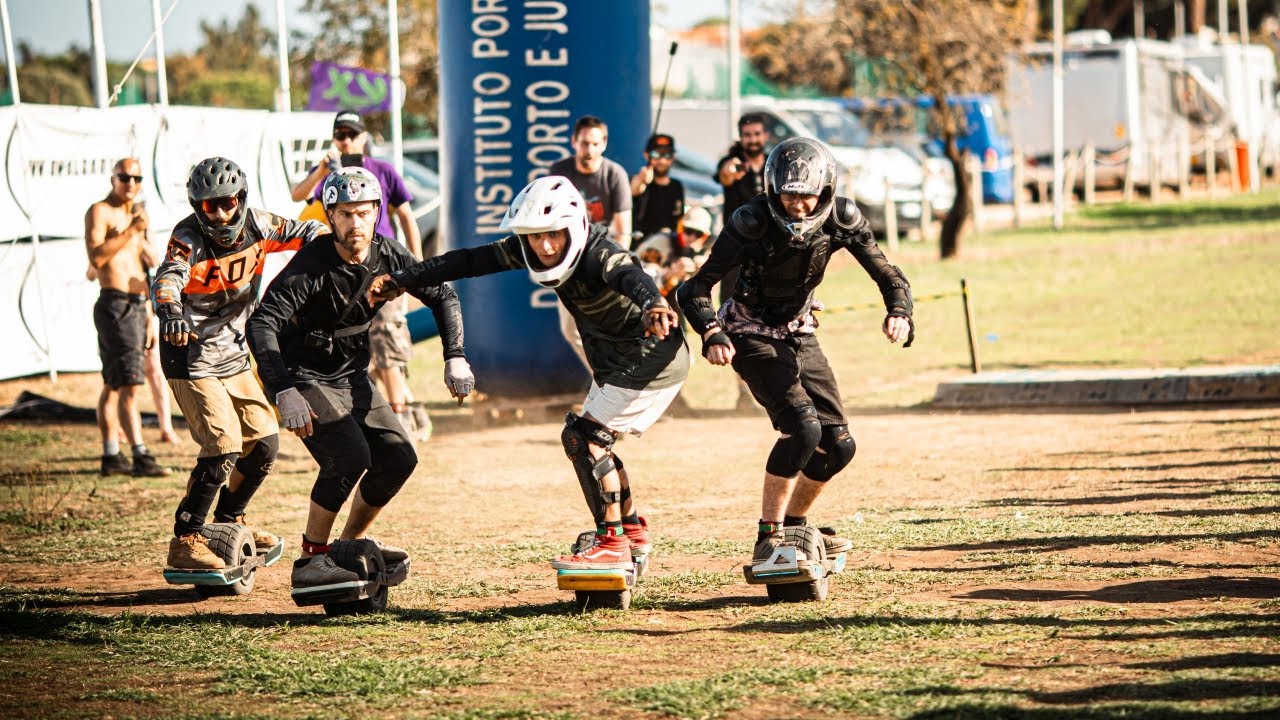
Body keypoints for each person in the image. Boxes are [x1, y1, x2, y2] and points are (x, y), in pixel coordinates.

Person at [365, 175, 687, 569]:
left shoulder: (599, 252)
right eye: (534, 236)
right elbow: (467, 261)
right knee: (590, 439)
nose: (545, 246)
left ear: (572, 227)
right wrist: (403, 279)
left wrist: (654, 301)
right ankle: (629, 530)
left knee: (584, 439)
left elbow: (630, 275)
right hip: (617, 362)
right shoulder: (531, 249)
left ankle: (613, 542)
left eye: (553, 235)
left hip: (651, 357)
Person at [676, 137, 914, 575]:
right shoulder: (749, 222)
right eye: (789, 196)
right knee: (802, 429)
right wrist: (711, 332)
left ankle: (796, 527)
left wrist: (899, 311)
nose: (798, 208)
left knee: (838, 446)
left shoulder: (842, 217)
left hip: (799, 329)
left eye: (807, 197)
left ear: (825, 192)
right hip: (748, 331)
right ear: (772, 191)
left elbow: (889, 274)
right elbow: (693, 288)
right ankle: (769, 540)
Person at [246, 167, 473, 590]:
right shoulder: (311, 263)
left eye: (364, 213)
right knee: (349, 457)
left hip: (350, 374)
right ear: (330, 216)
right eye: (345, 214)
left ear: (376, 213)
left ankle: (345, 548)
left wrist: (454, 357)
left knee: (399, 457)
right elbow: (261, 324)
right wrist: (283, 391)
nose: (355, 223)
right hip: (302, 374)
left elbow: (442, 293)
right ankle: (311, 559)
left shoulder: (390, 254)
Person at [152, 156, 327, 570]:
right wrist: (170, 312)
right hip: (190, 354)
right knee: (222, 445)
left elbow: (311, 232)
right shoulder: (187, 237)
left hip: (233, 353)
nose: (221, 212)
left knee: (264, 444)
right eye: (210, 205)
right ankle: (187, 539)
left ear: (241, 199)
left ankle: (229, 522)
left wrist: (336, 248)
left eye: (228, 202)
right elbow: (168, 277)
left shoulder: (261, 224)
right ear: (198, 207)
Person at [289, 109, 426, 437]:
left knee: (387, 343)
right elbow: (297, 195)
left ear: (364, 137)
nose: (346, 140)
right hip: (340, 274)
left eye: (352, 133)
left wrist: (417, 266)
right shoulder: (328, 174)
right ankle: (393, 412)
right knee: (358, 351)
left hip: (383, 270)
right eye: (340, 134)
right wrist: (322, 168)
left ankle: (401, 422)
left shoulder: (382, 170)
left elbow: (406, 217)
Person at [84, 158, 170, 478]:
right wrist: (130, 231)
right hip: (115, 303)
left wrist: (149, 314)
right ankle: (140, 454)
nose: (130, 183)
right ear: (113, 178)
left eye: (136, 178)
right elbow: (96, 258)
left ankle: (111, 455)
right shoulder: (100, 212)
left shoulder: (136, 215)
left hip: (138, 304)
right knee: (130, 384)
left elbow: (146, 266)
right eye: (124, 177)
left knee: (114, 384)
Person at [549, 115, 633, 374]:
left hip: (604, 260)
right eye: (585, 143)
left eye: (595, 144)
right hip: (569, 265)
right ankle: (606, 377)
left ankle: (623, 378)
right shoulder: (559, 173)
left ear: (604, 143)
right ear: (574, 142)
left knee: (613, 325)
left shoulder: (614, 174)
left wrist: (618, 266)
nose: (589, 150)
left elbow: (623, 229)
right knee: (571, 328)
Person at [630, 133, 685, 241]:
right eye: (656, 154)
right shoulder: (639, 180)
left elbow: (680, 220)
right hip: (639, 246)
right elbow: (633, 190)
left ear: (673, 158)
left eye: (667, 155)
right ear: (646, 155)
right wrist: (642, 181)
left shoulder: (677, 186)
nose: (662, 160)